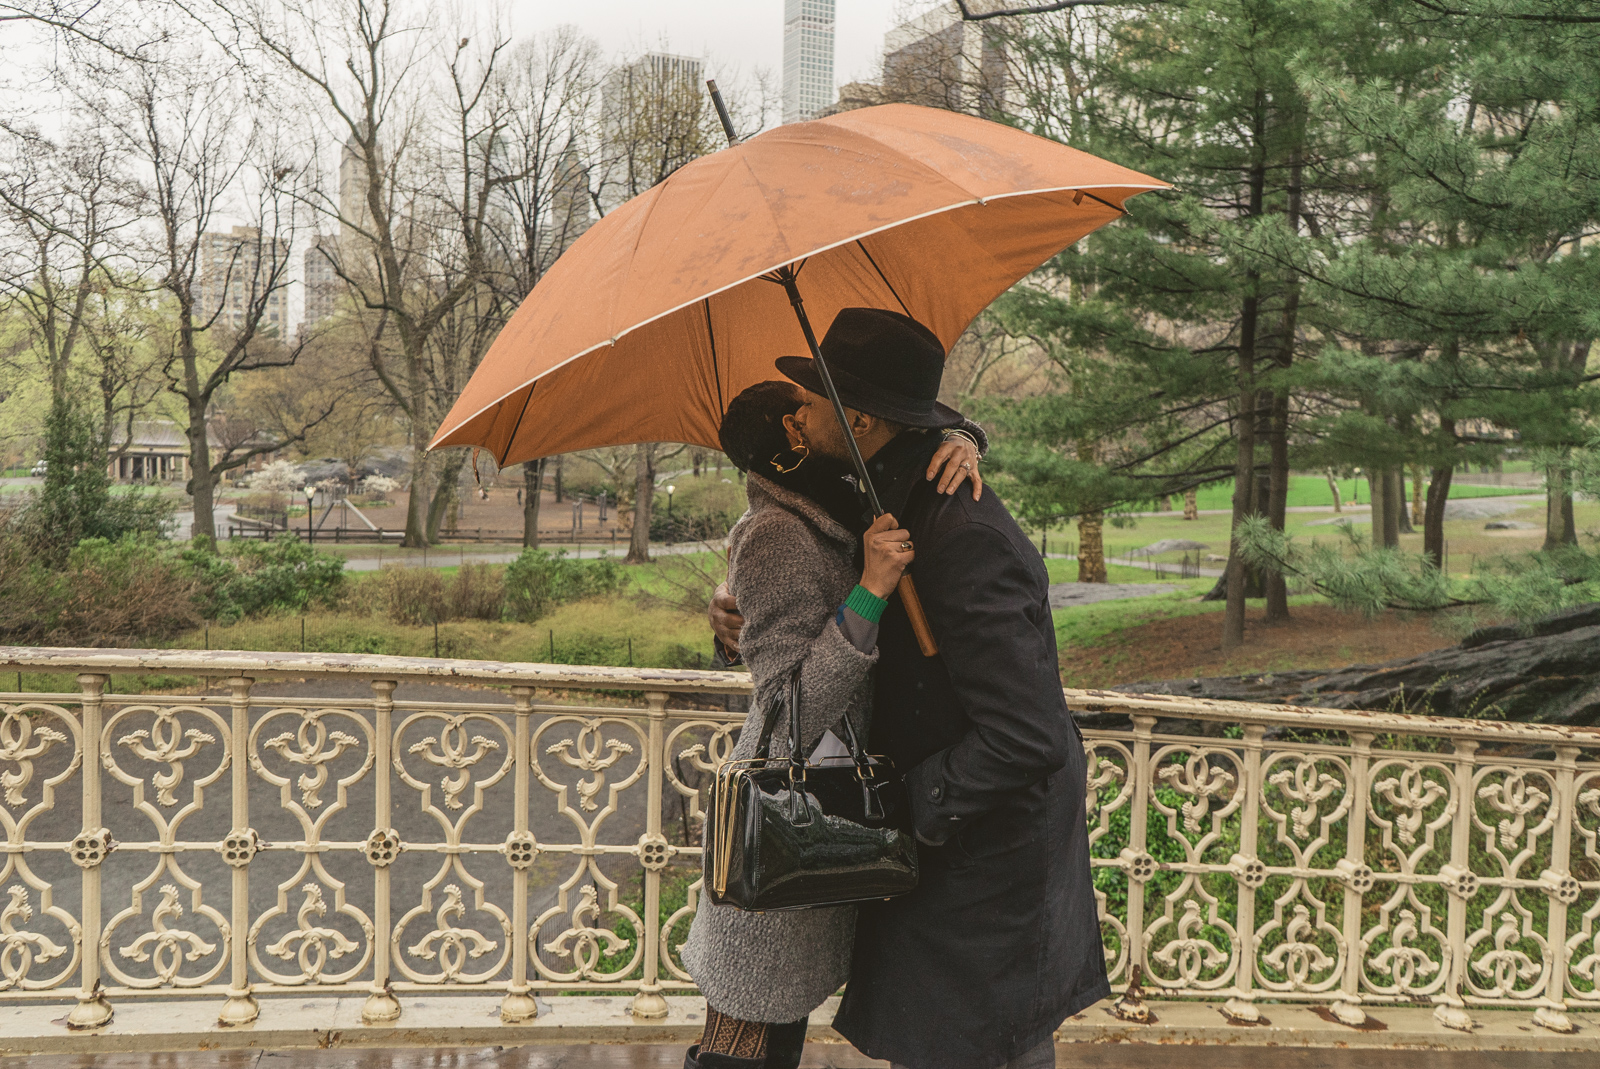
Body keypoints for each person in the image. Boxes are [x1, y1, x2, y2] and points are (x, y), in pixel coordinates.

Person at [710, 308, 1107, 1069]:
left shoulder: (963, 537)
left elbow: (1027, 735)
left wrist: (905, 807)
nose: (803, 409)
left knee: (982, 1048)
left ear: (860, 419)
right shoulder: (871, 487)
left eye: (814, 396)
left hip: (983, 876)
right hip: (939, 862)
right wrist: (741, 605)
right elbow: (787, 595)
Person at [681, 379, 983, 1069]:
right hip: (781, 814)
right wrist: (871, 590)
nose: (830, 414)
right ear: (792, 435)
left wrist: (965, 439)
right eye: (809, 406)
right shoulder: (777, 536)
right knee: (742, 1036)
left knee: (775, 1034)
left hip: (822, 807)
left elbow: (919, 424)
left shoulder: (825, 508)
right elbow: (791, 710)